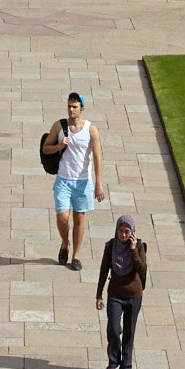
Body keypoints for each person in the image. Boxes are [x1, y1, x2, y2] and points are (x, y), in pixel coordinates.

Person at [40, 92, 105, 270]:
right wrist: (60, 146)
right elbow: (45, 149)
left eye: (74, 106)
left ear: (81, 109)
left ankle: (76, 256)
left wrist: (98, 184)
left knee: (79, 218)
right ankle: (64, 243)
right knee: (62, 217)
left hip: (83, 182)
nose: (71, 109)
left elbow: (98, 158)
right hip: (63, 180)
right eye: (69, 106)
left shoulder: (91, 130)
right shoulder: (59, 126)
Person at [94, 213, 149, 369]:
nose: (123, 235)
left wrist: (133, 250)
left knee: (129, 332)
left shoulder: (139, 246)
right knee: (113, 328)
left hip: (134, 295)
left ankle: (126, 366)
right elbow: (104, 270)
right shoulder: (111, 246)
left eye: (127, 231)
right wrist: (99, 295)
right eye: (120, 231)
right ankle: (113, 362)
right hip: (115, 294)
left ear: (132, 232)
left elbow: (142, 269)